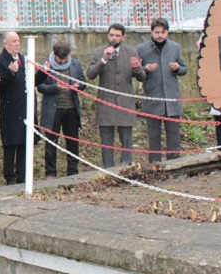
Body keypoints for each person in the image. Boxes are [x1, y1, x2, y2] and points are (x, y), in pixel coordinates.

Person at [87, 23, 145, 168]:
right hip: (106, 104)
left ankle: (127, 170)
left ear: (123, 37)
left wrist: (137, 68)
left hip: (125, 104)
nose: (114, 38)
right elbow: (90, 74)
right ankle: (108, 171)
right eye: (112, 35)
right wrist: (103, 60)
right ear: (108, 35)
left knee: (126, 142)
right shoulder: (99, 51)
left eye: (117, 35)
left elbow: (142, 77)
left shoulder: (132, 51)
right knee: (106, 143)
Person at [137, 18, 188, 163]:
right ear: (151, 32)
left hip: (172, 99)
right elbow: (136, 73)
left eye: (163, 32)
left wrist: (177, 68)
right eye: (157, 32)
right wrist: (145, 69)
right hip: (152, 99)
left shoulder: (175, 47)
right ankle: (155, 165)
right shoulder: (141, 49)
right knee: (153, 136)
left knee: (173, 135)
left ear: (168, 32)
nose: (160, 35)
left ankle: (175, 163)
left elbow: (184, 69)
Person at [37, 41, 86, 178]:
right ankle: (51, 173)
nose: (63, 61)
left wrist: (78, 86)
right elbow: (40, 86)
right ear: (54, 54)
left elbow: (83, 81)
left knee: (73, 142)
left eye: (65, 59)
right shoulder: (45, 64)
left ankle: (73, 171)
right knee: (51, 143)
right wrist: (55, 88)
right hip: (53, 110)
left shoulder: (75, 64)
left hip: (71, 108)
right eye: (60, 59)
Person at [0, 31, 32, 185]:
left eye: (18, 41)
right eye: (13, 41)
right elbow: (1, 85)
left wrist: (44, 72)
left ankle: (22, 174)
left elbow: (31, 82)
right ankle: (10, 176)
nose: (17, 44)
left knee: (24, 142)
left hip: (24, 107)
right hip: (10, 108)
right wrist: (10, 72)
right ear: (5, 44)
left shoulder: (24, 59)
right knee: (10, 143)